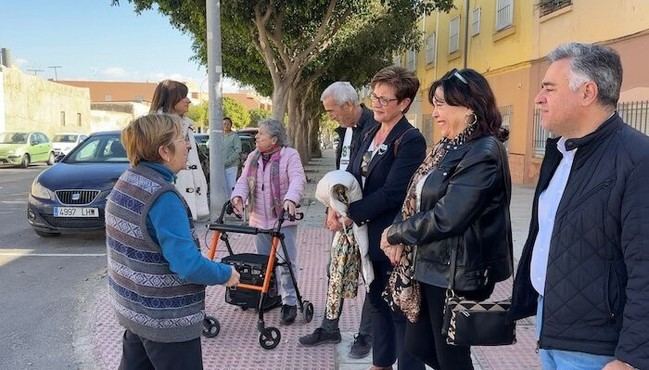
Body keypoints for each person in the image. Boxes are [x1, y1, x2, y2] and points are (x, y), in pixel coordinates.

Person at [509, 42, 649, 370]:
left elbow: (646, 265)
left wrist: (631, 357)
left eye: (549, 89)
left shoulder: (637, 160)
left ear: (587, 92)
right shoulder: (561, 153)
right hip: (553, 324)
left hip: (601, 347)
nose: (538, 99)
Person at [380, 68, 513, 370]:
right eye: (435, 104)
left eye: (441, 104)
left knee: (451, 357)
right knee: (421, 346)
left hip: (457, 271)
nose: (435, 112)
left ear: (470, 107)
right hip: (433, 265)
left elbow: (448, 216)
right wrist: (401, 229)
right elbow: (419, 195)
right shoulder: (449, 147)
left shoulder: (483, 151)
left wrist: (396, 233)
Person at [106, 113, 240, 370]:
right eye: (181, 139)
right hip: (166, 322)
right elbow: (187, 265)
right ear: (165, 152)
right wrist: (226, 274)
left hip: (135, 312)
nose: (188, 144)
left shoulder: (127, 181)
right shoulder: (162, 197)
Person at [331, 66, 427, 370]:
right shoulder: (370, 130)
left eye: (386, 99)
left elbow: (393, 192)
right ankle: (382, 362)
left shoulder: (410, 139)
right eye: (375, 96)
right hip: (366, 236)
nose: (377, 103)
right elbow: (352, 173)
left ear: (404, 103)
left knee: (401, 310)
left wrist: (351, 212)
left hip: (392, 238)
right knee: (377, 303)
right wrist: (334, 201)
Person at [298, 81, 377, 358]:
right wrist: (332, 208)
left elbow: (371, 180)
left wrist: (350, 215)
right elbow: (340, 174)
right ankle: (330, 327)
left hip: (365, 215)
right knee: (335, 270)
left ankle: (366, 334)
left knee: (369, 276)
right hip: (341, 215)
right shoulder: (343, 131)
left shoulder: (375, 129)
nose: (330, 115)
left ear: (349, 105)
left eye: (332, 111)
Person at [231, 118, 306, 325]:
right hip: (259, 218)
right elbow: (244, 180)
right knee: (264, 263)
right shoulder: (254, 156)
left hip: (282, 219)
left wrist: (291, 199)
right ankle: (267, 296)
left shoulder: (289, 155)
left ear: (274, 139)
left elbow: (298, 179)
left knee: (286, 263)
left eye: (261, 134)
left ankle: (289, 302)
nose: (257, 137)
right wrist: (238, 197)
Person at [150, 79, 209, 221]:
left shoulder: (185, 124)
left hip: (184, 195)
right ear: (171, 99)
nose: (188, 101)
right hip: (167, 194)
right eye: (183, 96)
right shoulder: (156, 126)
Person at [222, 117, 242, 198]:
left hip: (231, 166)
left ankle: (232, 205)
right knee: (223, 188)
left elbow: (238, 151)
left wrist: (228, 161)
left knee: (231, 187)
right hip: (220, 167)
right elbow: (209, 145)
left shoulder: (234, 136)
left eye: (228, 124)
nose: (226, 125)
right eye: (224, 124)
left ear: (231, 125)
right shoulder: (219, 136)